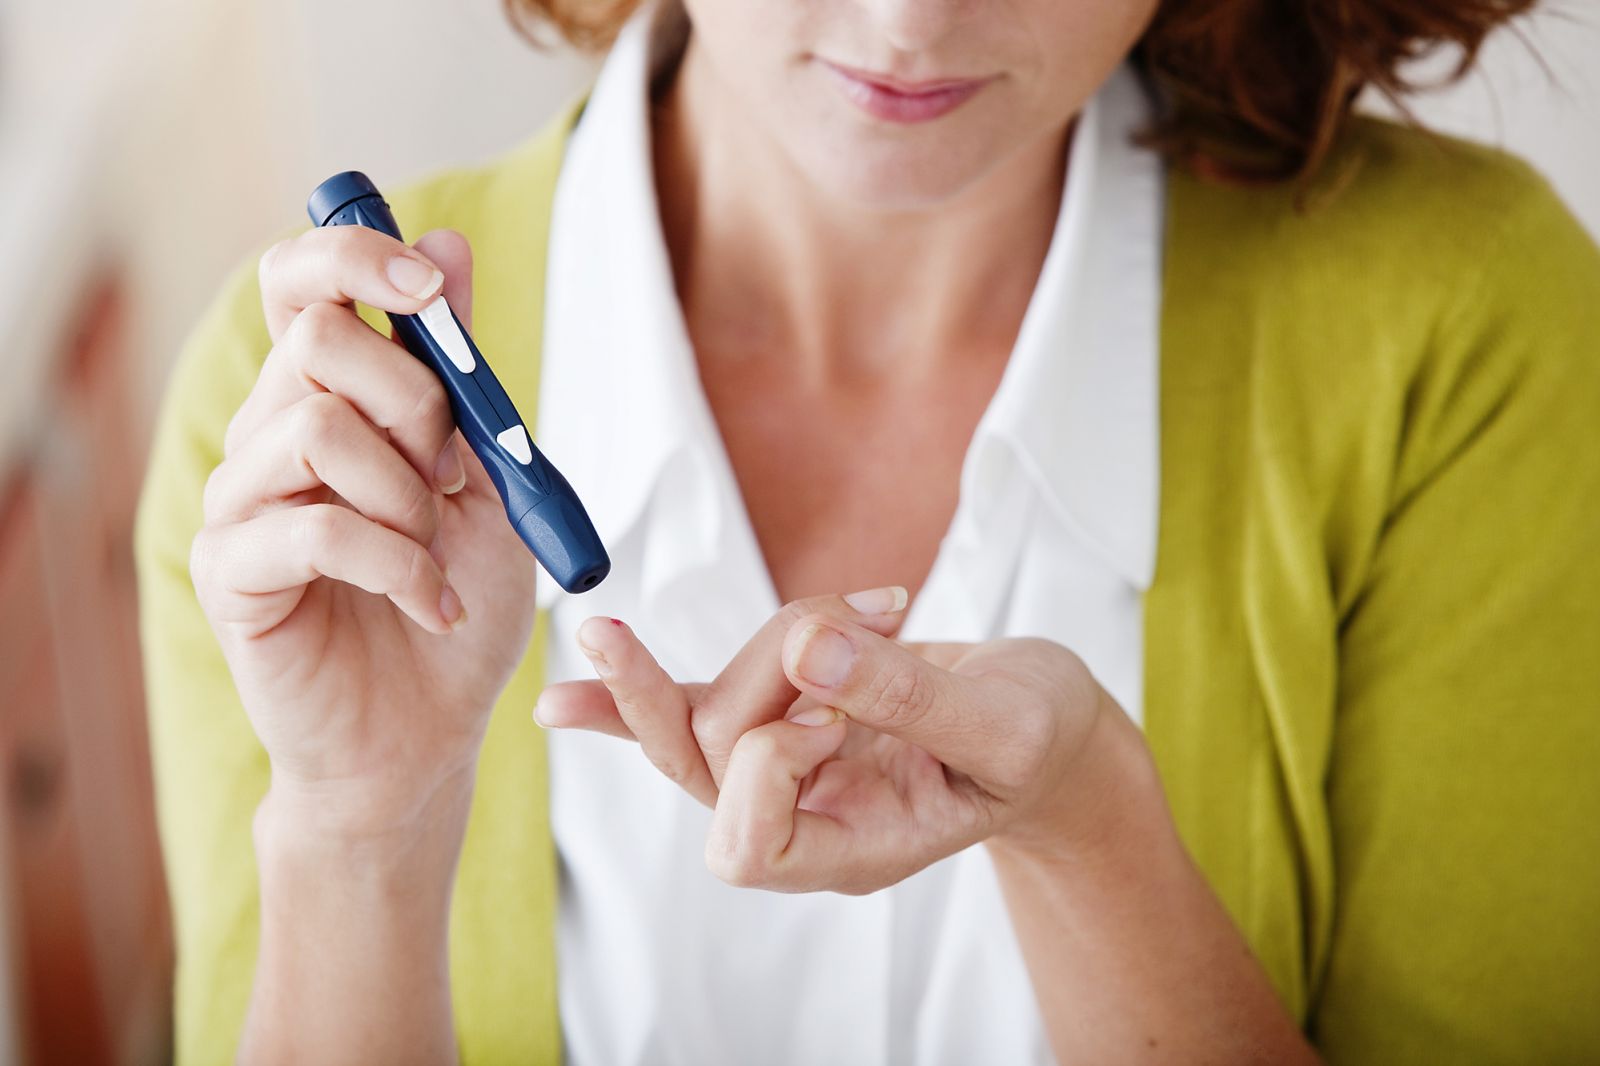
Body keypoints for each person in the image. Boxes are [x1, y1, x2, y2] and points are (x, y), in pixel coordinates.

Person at [135, 0, 1600, 1061]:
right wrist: (358, 831)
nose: (909, 24)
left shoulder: (1466, 333)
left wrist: (1088, 830)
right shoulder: (303, 421)